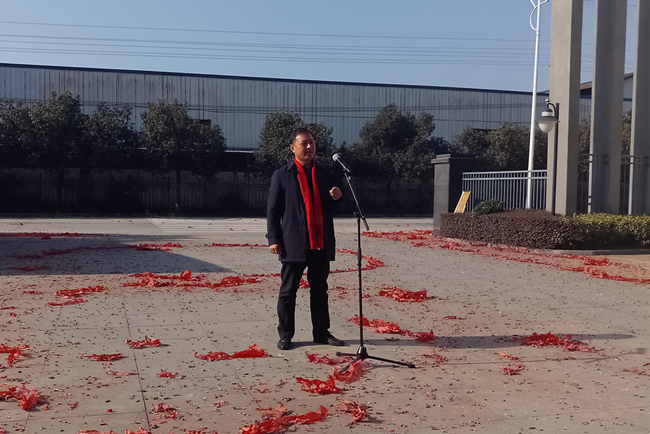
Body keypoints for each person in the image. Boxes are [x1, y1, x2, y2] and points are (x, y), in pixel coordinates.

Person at [266, 127, 345, 351]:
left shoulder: (324, 173)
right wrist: (274, 239)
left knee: (320, 290)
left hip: (320, 242)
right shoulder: (282, 174)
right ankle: (285, 335)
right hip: (294, 242)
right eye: (304, 143)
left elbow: (334, 206)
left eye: (312, 142)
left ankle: (321, 332)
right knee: (288, 291)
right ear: (293, 148)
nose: (309, 147)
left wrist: (338, 198)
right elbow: (273, 210)